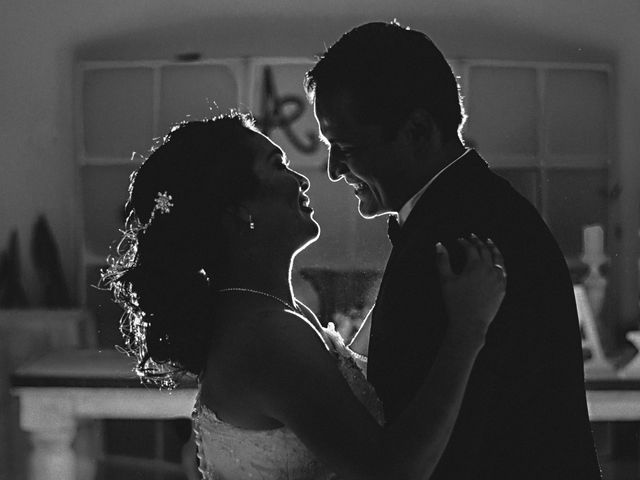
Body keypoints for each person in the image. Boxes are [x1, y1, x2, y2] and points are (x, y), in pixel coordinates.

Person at [103, 113, 506, 480]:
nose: (302, 180)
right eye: (277, 165)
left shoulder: (265, 314)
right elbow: (391, 472)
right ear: (241, 209)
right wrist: (469, 328)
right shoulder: (268, 335)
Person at [305, 21, 602, 479]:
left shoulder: (458, 239)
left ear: (419, 130)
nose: (333, 170)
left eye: (345, 146)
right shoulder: (472, 210)